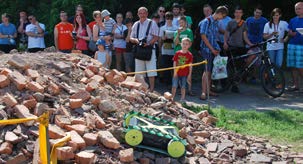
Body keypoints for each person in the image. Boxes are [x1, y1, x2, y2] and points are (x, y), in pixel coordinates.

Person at [200, 6, 228, 100]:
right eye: (222, 16)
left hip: (213, 50)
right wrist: (212, 49)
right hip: (206, 49)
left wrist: (217, 48)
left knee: (210, 71)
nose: (222, 18)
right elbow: (203, 36)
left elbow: (214, 37)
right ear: (219, 13)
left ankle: (208, 91)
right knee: (206, 71)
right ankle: (203, 92)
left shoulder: (216, 22)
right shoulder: (206, 21)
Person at [223, 6, 254, 93]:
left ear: (242, 13)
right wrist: (225, 43)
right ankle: (234, 85)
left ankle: (243, 73)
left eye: (240, 12)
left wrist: (250, 44)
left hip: (241, 47)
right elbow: (226, 33)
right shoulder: (230, 22)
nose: (238, 14)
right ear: (234, 13)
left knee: (251, 54)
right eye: (236, 12)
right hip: (232, 47)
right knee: (233, 68)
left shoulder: (244, 23)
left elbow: (245, 36)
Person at [130, 7, 159, 92]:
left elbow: (156, 37)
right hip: (139, 49)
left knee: (151, 71)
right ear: (138, 14)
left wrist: (149, 43)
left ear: (147, 14)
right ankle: (142, 89)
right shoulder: (136, 24)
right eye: (140, 13)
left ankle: (152, 89)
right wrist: (135, 40)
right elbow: (131, 37)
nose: (142, 15)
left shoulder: (152, 23)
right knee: (139, 72)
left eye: (144, 13)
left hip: (149, 49)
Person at [174, 16, 194, 95]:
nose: (181, 24)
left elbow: (191, 42)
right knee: (178, 71)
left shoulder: (189, 31)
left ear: (185, 23)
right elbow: (175, 43)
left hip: (187, 54)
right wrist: (178, 34)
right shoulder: (176, 32)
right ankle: (181, 89)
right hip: (178, 54)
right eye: (179, 23)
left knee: (188, 71)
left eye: (182, 22)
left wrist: (185, 48)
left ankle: (189, 89)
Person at [286, 2, 303, 91]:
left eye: (299, 8)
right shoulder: (292, 20)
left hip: (301, 46)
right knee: (293, 66)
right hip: (292, 45)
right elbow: (289, 32)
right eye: (296, 9)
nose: (297, 10)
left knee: (300, 66)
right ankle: (296, 85)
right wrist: (290, 33)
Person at [159, 12, 178, 87]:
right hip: (165, 48)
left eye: (170, 18)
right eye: (167, 18)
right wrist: (160, 50)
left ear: (172, 19)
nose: (169, 20)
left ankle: (175, 83)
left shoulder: (176, 28)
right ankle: (168, 83)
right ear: (165, 19)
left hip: (173, 49)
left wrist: (174, 37)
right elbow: (160, 40)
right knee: (166, 67)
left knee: (173, 67)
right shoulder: (162, 28)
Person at [172, 37, 193, 102]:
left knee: (183, 86)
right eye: (183, 44)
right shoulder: (177, 53)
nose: (185, 45)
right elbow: (174, 62)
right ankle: (172, 98)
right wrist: (175, 72)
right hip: (177, 73)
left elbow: (190, 66)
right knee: (174, 85)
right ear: (181, 44)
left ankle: (182, 98)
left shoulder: (190, 55)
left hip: (184, 74)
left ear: (189, 45)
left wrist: (189, 74)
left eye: (186, 44)